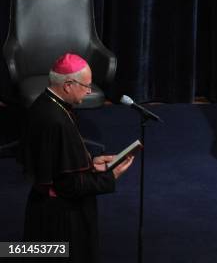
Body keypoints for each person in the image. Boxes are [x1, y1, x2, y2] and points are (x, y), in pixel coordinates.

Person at [21, 53, 134, 262]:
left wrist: (90, 162)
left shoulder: (43, 104)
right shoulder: (58, 121)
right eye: (86, 85)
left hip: (39, 206)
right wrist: (111, 176)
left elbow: (55, 159)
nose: (90, 91)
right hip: (61, 218)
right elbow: (69, 185)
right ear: (68, 85)